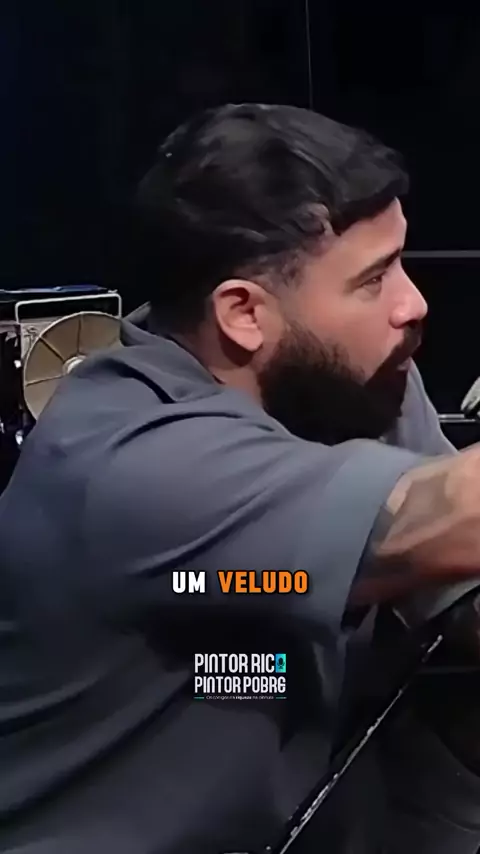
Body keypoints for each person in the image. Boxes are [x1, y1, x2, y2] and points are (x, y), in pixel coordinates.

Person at [2, 104, 480, 854]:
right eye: (373, 279)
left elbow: (452, 584)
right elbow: (447, 517)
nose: (412, 303)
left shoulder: (348, 381)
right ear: (243, 313)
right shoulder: (139, 466)